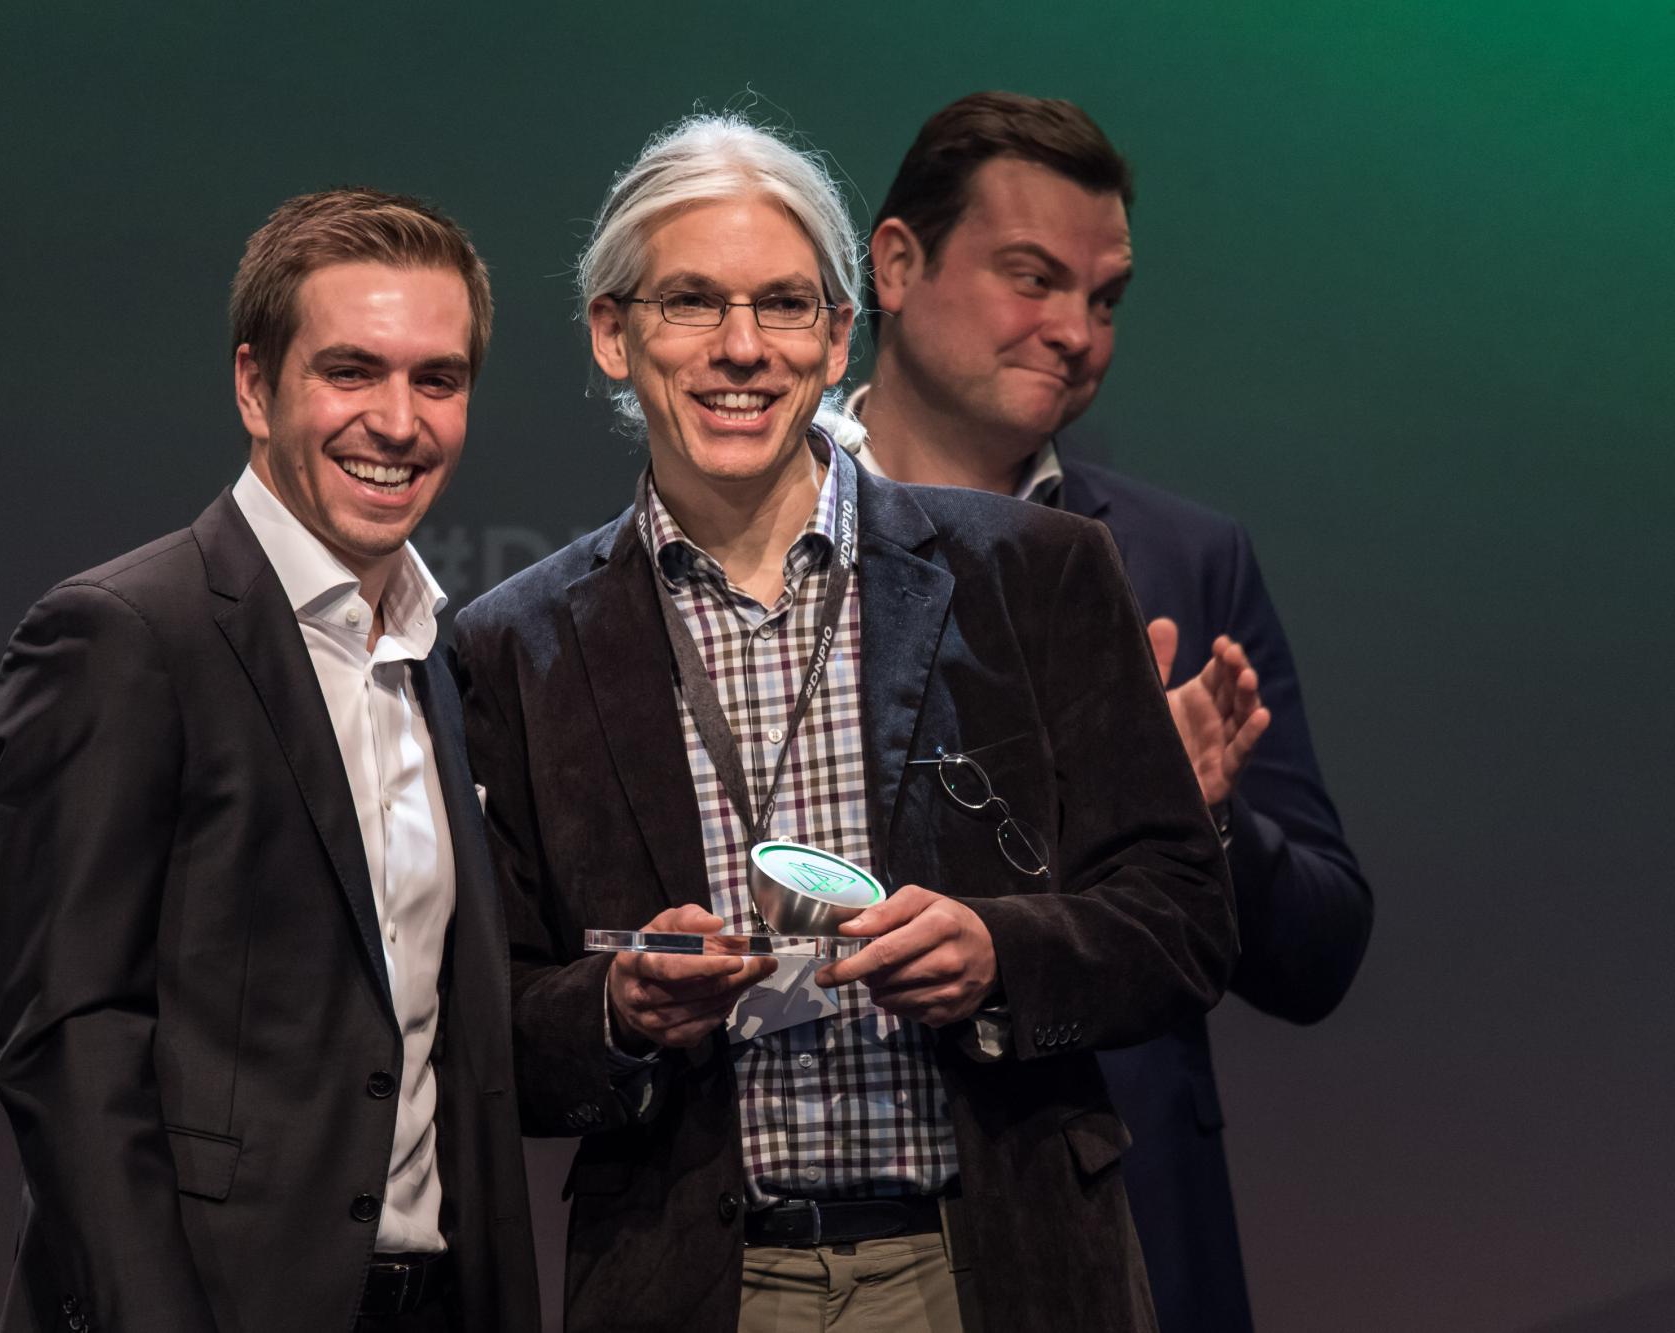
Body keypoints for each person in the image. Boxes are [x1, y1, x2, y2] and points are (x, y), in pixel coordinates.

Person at [455, 114, 1236, 1332]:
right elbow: (488, 1017)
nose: (738, 349)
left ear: (834, 336)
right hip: (701, 1281)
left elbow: (1182, 918)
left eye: (782, 304)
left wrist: (997, 952)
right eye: (690, 304)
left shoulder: (1035, 572)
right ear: (613, 334)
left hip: (988, 1264)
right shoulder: (513, 644)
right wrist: (617, 1008)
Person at [851, 90, 1376, 1332]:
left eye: (1104, 299)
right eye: (1031, 278)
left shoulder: (1184, 558)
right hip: (829, 1229)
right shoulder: (753, 532)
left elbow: (1318, 952)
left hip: (1123, 1229)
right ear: (893, 264)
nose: (1075, 331)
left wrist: (1196, 819)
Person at [0, 188, 538, 1333]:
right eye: (351, 371)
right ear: (253, 385)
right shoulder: (126, 634)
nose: (397, 421)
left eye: (436, 380)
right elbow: (72, 1045)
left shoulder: (441, 655)